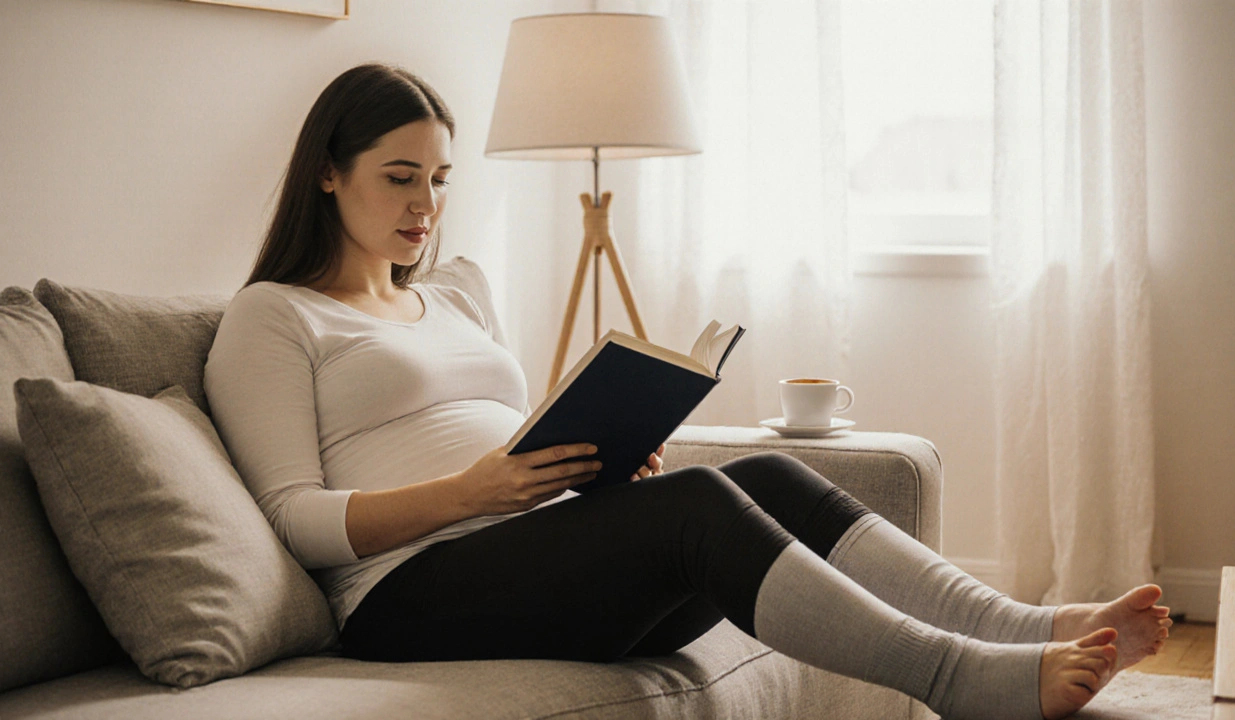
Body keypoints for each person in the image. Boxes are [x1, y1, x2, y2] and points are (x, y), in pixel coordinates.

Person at [203, 63, 1172, 720]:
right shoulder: (274, 318)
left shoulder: (454, 293)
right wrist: (474, 492)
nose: (426, 209)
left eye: (441, 181)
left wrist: (597, 469)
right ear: (328, 174)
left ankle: (1023, 624)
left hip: (521, 550)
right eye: (400, 178)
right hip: (402, 595)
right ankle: (962, 682)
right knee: (704, 508)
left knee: (767, 475)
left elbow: (516, 454)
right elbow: (292, 521)